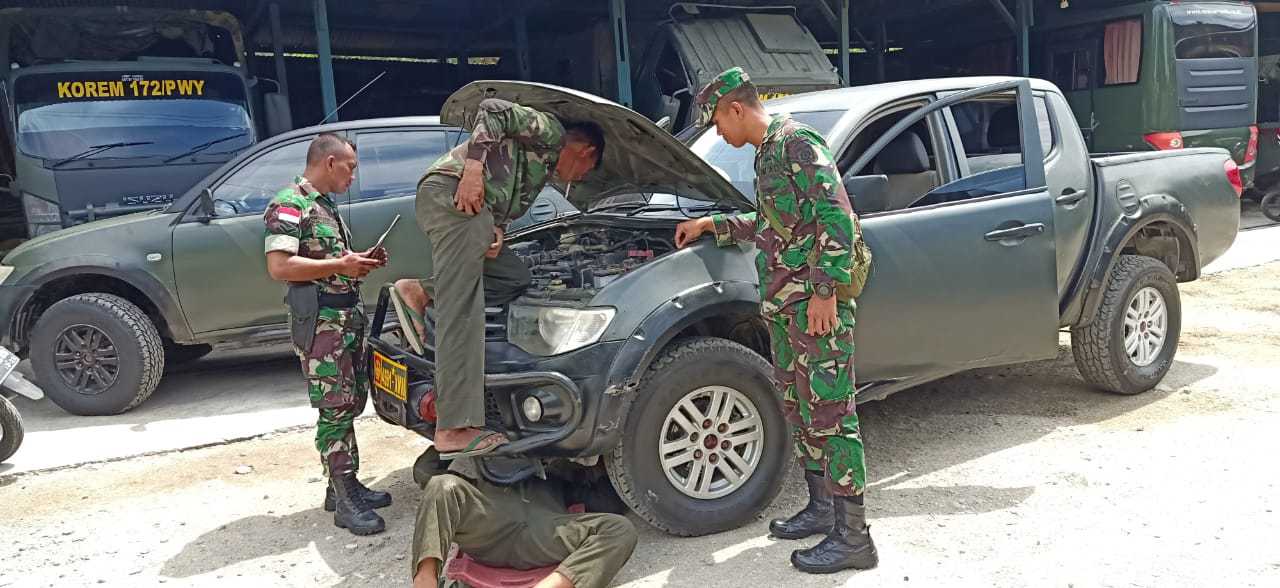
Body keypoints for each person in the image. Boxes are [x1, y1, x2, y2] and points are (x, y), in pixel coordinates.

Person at [673, 67, 878, 574]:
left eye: (718, 121)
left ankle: (855, 538)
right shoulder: (768, 153)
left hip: (815, 307)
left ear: (736, 109)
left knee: (831, 414)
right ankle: (823, 507)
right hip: (787, 309)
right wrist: (712, 224)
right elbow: (773, 224)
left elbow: (836, 216)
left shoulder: (797, 144)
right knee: (800, 407)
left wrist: (826, 290)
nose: (718, 131)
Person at [393, 98, 604, 458]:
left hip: (476, 212)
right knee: (463, 310)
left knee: (512, 276)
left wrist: (498, 229)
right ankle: (454, 428)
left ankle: (420, 290)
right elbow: (493, 108)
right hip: (452, 193)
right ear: (585, 151)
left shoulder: (542, 166)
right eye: (588, 169)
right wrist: (472, 170)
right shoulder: (550, 132)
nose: (581, 178)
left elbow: (504, 191)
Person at [264, 133, 391, 536]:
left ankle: (344, 486)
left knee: (350, 401)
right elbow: (280, 267)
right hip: (321, 324)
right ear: (330, 162)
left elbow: (328, 263)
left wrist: (357, 263)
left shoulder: (324, 206)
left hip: (343, 319)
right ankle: (344, 499)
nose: (354, 175)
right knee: (334, 406)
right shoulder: (290, 204)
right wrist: (342, 263)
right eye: (350, 167)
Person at [411, 458, 637, 588]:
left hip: (543, 531)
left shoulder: (559, 454)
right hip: (488, 524)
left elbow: (611, 497)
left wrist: (575, 459)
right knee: (441, 485)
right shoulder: (480, 447)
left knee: (620, 529)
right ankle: (425, 581)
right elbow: (423, 471)